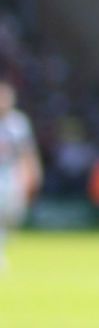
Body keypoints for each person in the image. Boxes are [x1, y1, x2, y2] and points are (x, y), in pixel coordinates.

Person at [0, 82, 41, 269]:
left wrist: (33, 173)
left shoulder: (18, 123)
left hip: (11, 173)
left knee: (12, 213)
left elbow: (27, 152)